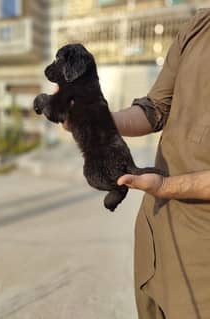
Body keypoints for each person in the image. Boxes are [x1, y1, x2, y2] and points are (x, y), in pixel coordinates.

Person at [62, 8, 210, 318]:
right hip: (154, 231)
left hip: (202, 257)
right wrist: (99, 120)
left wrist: (167, 185)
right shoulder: (199, 24)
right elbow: (155, 108)